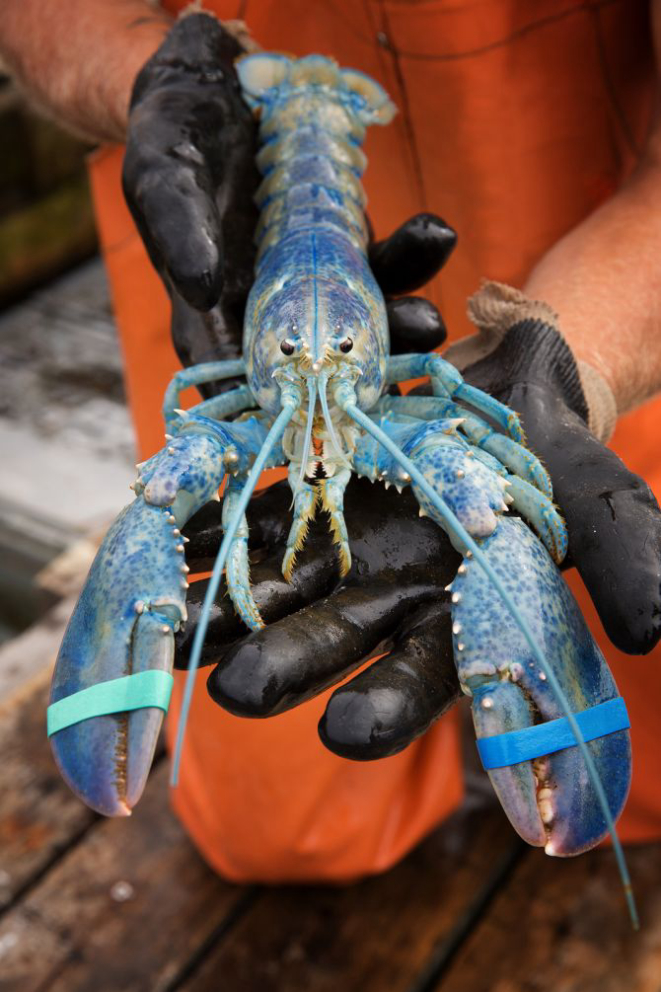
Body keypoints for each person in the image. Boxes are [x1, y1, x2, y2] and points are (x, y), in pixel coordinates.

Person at [4, 0, 661, 882]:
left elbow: (491, 424)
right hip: (217, 211)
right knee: (281, 827)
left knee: (649, 750)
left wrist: (563, 359)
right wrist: (166, 86)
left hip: (576, 213)